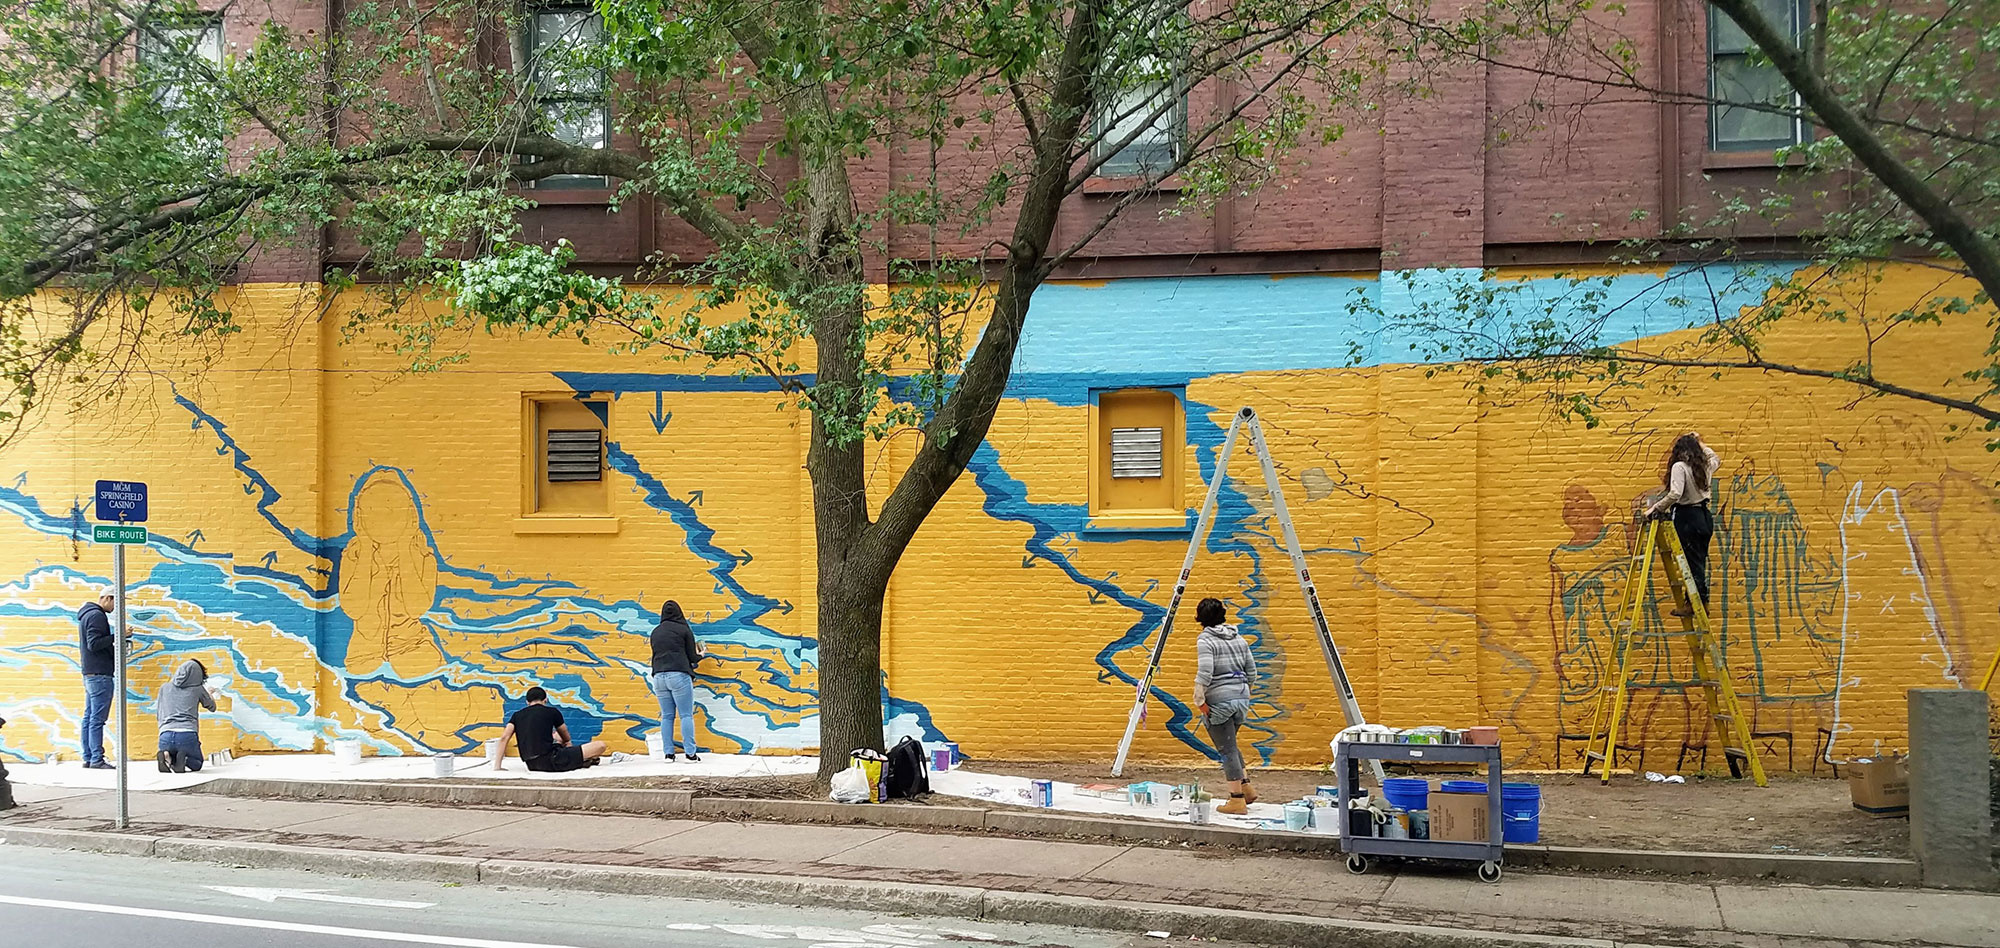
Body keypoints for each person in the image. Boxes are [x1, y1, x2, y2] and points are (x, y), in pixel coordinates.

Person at [1192, 597, 1258, 815]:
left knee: (1226, 749)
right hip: (1241, 698)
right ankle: (1246, 787)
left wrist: (1200, 702)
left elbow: (1205, 672)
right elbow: (1252, 672)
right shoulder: (1239, 638)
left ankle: (1236, 800)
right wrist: (1242, 692)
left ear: (1201, 618)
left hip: (1219, 701)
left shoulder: (1205, 640)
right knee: (1231, 742)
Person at [1644, 431, 1722, 613]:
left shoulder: (1679, 466)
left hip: (1687, 517)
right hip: (1704, 516)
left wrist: (1655, 508)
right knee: (1698, 560)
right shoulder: (1703, 466)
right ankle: (1700, 602)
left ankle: (1695, 603)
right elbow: (1715, 458)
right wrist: (1701, 442)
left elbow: (1675, 494)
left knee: (1689, 561)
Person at [493, 686, 606, 773]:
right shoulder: (552, 712)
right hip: (552, 759)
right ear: (545, 700)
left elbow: (504, 738)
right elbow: (566, 737)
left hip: (531, 765)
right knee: (600, 745)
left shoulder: (516, 715)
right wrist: (568, 747)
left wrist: (497, 767)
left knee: (557, 738)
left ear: (527, 702)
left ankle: (579, 760)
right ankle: (578, 761)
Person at [649, 600, 704, 761]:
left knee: (667, 716)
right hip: (678, 675)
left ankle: (668, 754)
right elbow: (692, 657)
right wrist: (701, 654)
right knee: (686, 715)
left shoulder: (656, 632)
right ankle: (690, 753)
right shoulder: (683, 630)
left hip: (659, 677)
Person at [75, 592, 117, 770]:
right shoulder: (97, 615)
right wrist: (118, 636)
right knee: (97, 720)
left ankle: (88, 757)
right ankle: (97, 759)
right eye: (115, 602)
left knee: (89, 718)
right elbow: (94, 643)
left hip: (90, 673)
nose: (115, 608)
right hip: (100, 674)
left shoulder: (86, 615)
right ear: (107, 598)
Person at [155, 658, 217, 773]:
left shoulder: (165, 687)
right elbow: (212, 707)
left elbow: (159, 712)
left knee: (173, 751)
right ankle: (185, 758)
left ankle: (167, 755)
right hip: (187, 734)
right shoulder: (198, 689)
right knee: (197, 764)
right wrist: (210, 694)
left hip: (165, 734)